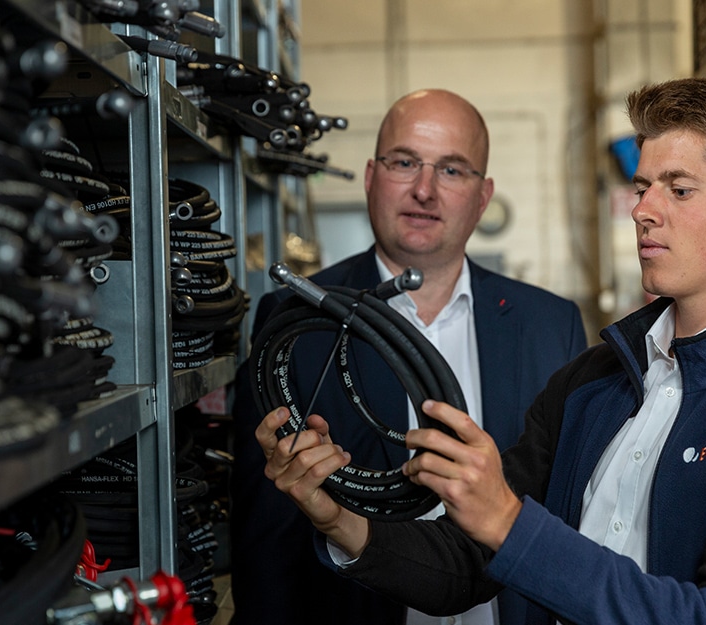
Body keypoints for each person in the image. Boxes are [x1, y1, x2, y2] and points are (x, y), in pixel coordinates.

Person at [255, 76, 706, 624]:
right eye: (643, 187)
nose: (642, 210)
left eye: (680, 189)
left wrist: (510, 524)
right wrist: (340, 521)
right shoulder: (594, 380)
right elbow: (470, 560)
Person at [230, 88, 588, 625]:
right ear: (371, 176)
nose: (424, 190)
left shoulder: (550, 324)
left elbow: (569, 512)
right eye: (404, 163)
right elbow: (268, 541)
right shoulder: (295, 323)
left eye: (452, 170)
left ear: (483, 196)